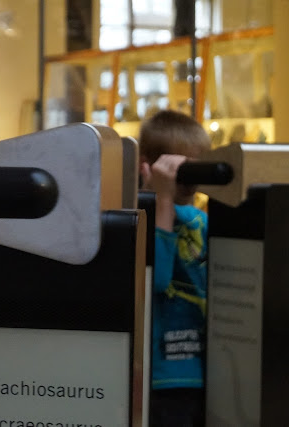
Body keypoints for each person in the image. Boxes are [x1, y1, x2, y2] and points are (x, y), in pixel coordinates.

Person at [138, 110, 211, 427]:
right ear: (147, 165)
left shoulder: (203, 221)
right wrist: (162, 199)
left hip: (205, 372)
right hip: (163, 376)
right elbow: (158, 281)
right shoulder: (141, 218)